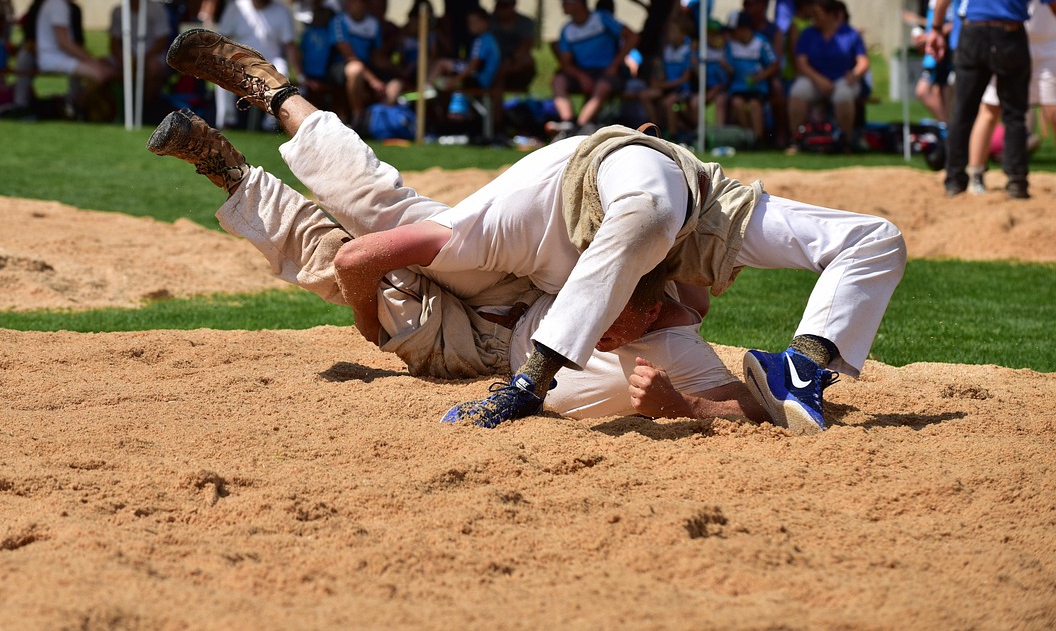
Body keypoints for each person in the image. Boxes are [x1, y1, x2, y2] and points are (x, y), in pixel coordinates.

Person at [164, 26, 906, 435]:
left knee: (333, 269)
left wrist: (681, 407)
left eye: (622, 329)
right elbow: (367, 253)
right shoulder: (518, 230)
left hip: (472, 343)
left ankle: (230, 173)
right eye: (612, 319)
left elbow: (748, 406)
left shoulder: (663, 333)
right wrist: (366, 328)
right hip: (502, 271)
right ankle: (276, 92)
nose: (611, 339)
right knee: (372, 217)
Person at [930, 0, 1056, 200]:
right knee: (1014, 112)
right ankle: (1016, 182)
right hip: (1009, 35)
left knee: (963, 110)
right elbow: (1053, 4)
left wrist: (935, 28)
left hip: (971, 34)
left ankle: (954, 180)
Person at [965, 0, 1056, 194]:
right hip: (1015, 42)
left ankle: (999, 174)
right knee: (991, 108)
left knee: (1053, 109)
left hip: (1050, 47)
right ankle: (976, 173)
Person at [550, 0, 636, 137]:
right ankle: (568, 122)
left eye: (566, 1)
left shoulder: (601, 18)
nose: (562, 5)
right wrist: (580, 76)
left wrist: (615, 64)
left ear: (579, 3)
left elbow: (632, 36)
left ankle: (578, 128)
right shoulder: (567, 30)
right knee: (558, 80)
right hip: (583, 73)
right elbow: (566, 63)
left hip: (608, 72)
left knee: (602, 86)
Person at [215, 0, 297, 129]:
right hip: (239, 60)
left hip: (270, 61)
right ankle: (227, 121)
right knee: (221, 76)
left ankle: (271, 123)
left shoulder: (281, 11)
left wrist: (299, 73)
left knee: (282, 72)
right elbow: (223, 38)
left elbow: (289, 45)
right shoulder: (237, 7)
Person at [787, 0, 869, 151]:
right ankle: (795, 140)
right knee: (798, 91)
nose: (814, 18)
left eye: (818, 14)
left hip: (842, 78)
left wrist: (856, 73)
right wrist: (819, 80)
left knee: (843, 94)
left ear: (831, 14)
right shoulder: (808, 34)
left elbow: (863, 61)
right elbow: (801, 63)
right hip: (814, 79)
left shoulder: (850, 34)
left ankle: (845, 140)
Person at [109, 0, 175, 120]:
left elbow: (162, 40)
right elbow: (114, 43)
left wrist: (141, 58)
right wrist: (123, 58)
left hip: (152, 55)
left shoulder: (155, 9)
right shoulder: (118, 12)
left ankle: (145, 110)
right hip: (127, 56)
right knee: (103, 68)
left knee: (152, 69)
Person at [35, 0, 113, 83]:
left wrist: (91, 59)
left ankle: (79, 99)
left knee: (104, 69)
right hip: (53, 59)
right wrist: (91, 60)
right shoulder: (58, 4)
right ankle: (80, 99)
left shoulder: (56, 1)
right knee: (101, 73)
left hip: (57, 57)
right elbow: (64, 43)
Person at [432, 6, 501, 125]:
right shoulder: (489, 39)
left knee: (441, 64)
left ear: (485, 23)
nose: (470, 25)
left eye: (474, 22)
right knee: (448, 77)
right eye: (469, 22)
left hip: (479, 80)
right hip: (483, 79)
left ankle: (427, 86)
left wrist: (455, 80)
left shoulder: (482, 40)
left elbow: (473, 66)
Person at [330, 0, 386, 124]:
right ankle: (358, 116)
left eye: (353, 0)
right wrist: (373, 80)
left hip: (366, 66)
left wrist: (398, 71)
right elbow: (349, 56)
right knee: (355, 69)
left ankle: (379, 122)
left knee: (392, 83)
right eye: (347, 0)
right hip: (339, 66)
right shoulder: (339, 21)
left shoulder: (373, 24)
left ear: (364, 4)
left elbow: (377, 56)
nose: (348, 4)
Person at [724, 12, 779, 144]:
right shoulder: (731, 45)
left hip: (757, 88)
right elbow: (730, 66)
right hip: (738, 87)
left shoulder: (761, 42)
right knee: (737, 103)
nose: (731, 34)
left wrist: (759, 77)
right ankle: (749, 136)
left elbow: (774, 64)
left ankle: (759, 139)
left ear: (744, 29)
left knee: (755, 105)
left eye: (734, 30)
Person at [650, 14, 696, 138]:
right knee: (646, 95)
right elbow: (662, 73)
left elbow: (685, 78)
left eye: (673, 31)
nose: (670, 34)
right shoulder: (667, 50)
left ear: (683, 34)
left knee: (669, 102)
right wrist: (658, 80)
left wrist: (664, 85)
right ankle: (655, 129)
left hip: (682, 90)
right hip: (668, 88)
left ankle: (673, 135)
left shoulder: (688, 51)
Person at [488, 0, 536, 92]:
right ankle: (496, 108)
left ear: (513, 5)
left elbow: (526, 45)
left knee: (526, 60)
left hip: (514, 65)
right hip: (492, 64)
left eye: (504, 5)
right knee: (498, 74)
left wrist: (509, 62)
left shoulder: (525, 22)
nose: (500, 9)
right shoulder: (488, 22)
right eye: (498, 4)